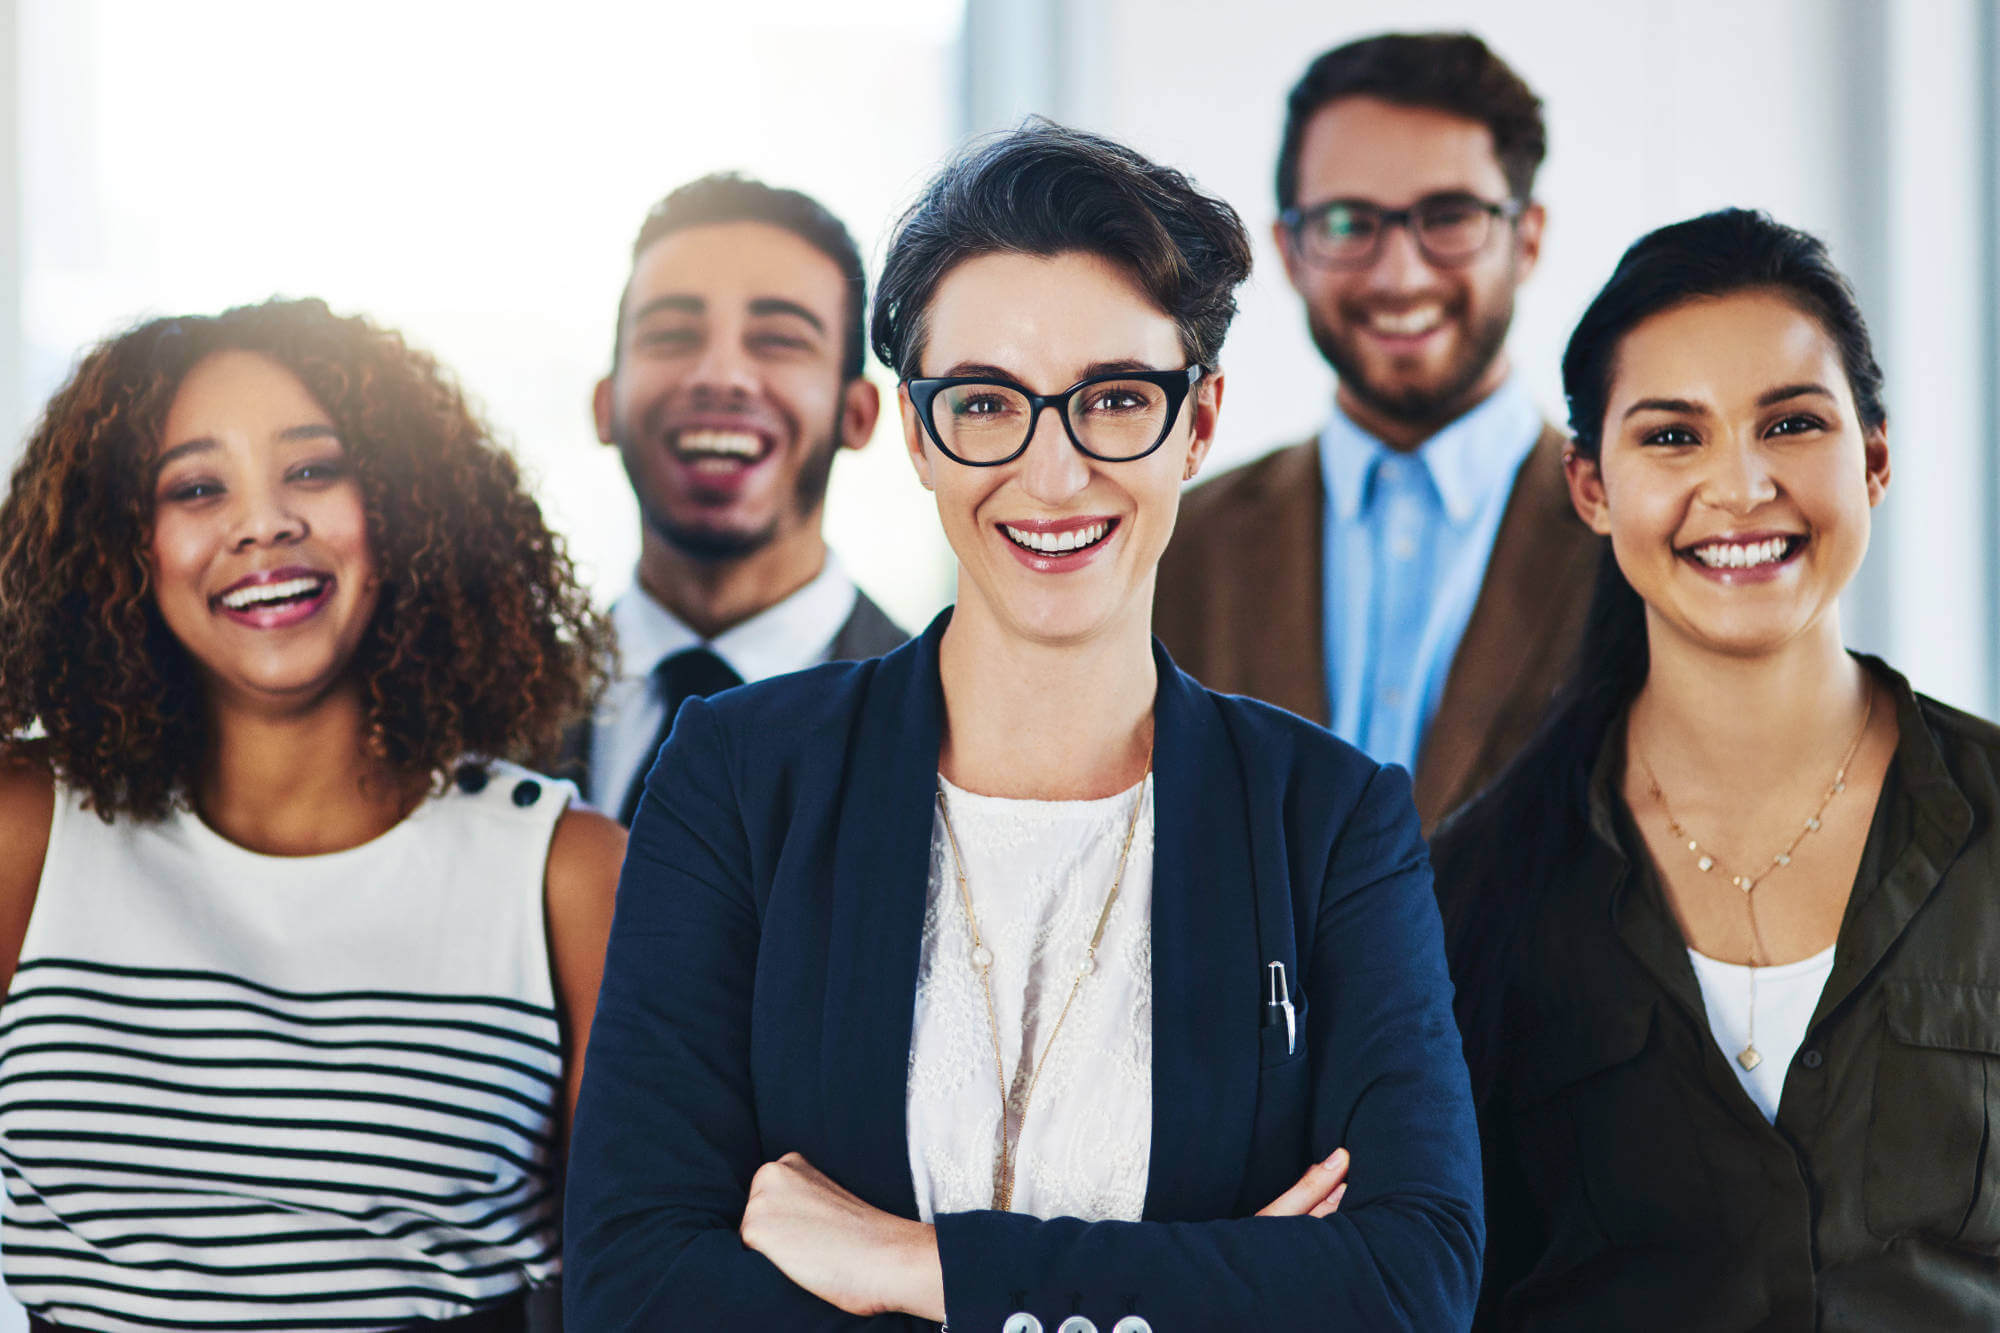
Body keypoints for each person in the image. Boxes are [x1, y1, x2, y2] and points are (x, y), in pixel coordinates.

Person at [564, 121, 1482, 1332]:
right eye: (987, 403)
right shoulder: (741, 775)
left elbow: (1407, 1283)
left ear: (1197, 423)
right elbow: (635, 1284)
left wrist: (908, 1266)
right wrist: (1212, 1282)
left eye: (1113, 399)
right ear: (915, 431)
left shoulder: (1327, 817)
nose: (1052, 476)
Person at [0, 299, 623, 1331]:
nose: (262, 522)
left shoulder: (566, 873)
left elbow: (643, 1271)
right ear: (125, 545)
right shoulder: (26, 833)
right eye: (197, 487)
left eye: (312, 470)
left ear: (405, 506)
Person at [1434, 209, 2000, 1330]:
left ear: (1872, 458)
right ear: (1590, 488)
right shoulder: (1470, 890)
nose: (1739, 488)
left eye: (1788, 423)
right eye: (1671, 437)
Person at [1155, 32, 1598, 830]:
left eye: (1451, 217)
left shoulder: (1633, 540)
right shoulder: (1177, 543)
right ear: (1289, 250)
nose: (1400, 274)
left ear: (1527, 238)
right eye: (1350, 221)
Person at [568, 174, 908, 824]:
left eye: (780, 339)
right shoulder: (484, 716)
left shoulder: (950, 728)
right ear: (605, 405)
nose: (719, 375)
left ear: (858, 415)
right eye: (670, 335)